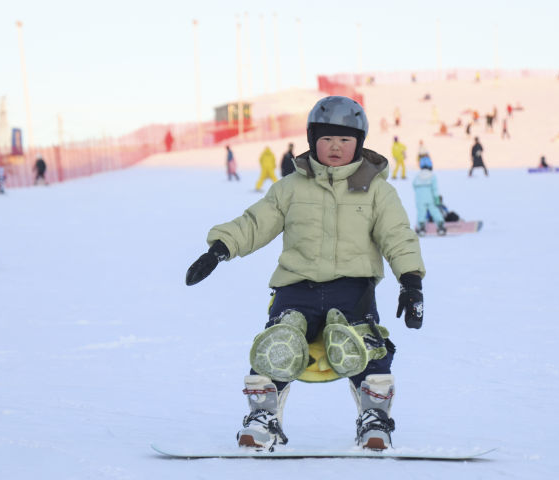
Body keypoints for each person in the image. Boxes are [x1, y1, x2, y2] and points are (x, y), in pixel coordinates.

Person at [184, 96, 426, 452]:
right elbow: (256, 222)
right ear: (313, 140)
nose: (335, 147)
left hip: (352, 290)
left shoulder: (376, 190)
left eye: (345, 140)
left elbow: (397, 235)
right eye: (327, 139)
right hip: (296, 289)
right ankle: (263, 418)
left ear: (359, 143)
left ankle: (375, 419)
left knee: (364, 346)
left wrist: (411, 280)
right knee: (278, 343)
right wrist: (221, 247)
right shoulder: (291, 188)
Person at [413, 156, 446, 235]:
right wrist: (437, 200)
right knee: (435, 211)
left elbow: (414, 186)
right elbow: (435, 189)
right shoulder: (432, 176)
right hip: (430, 198)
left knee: (421, 213)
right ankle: (440, 226)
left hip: (420, 199)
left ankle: (421, 228)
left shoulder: (417, 176)